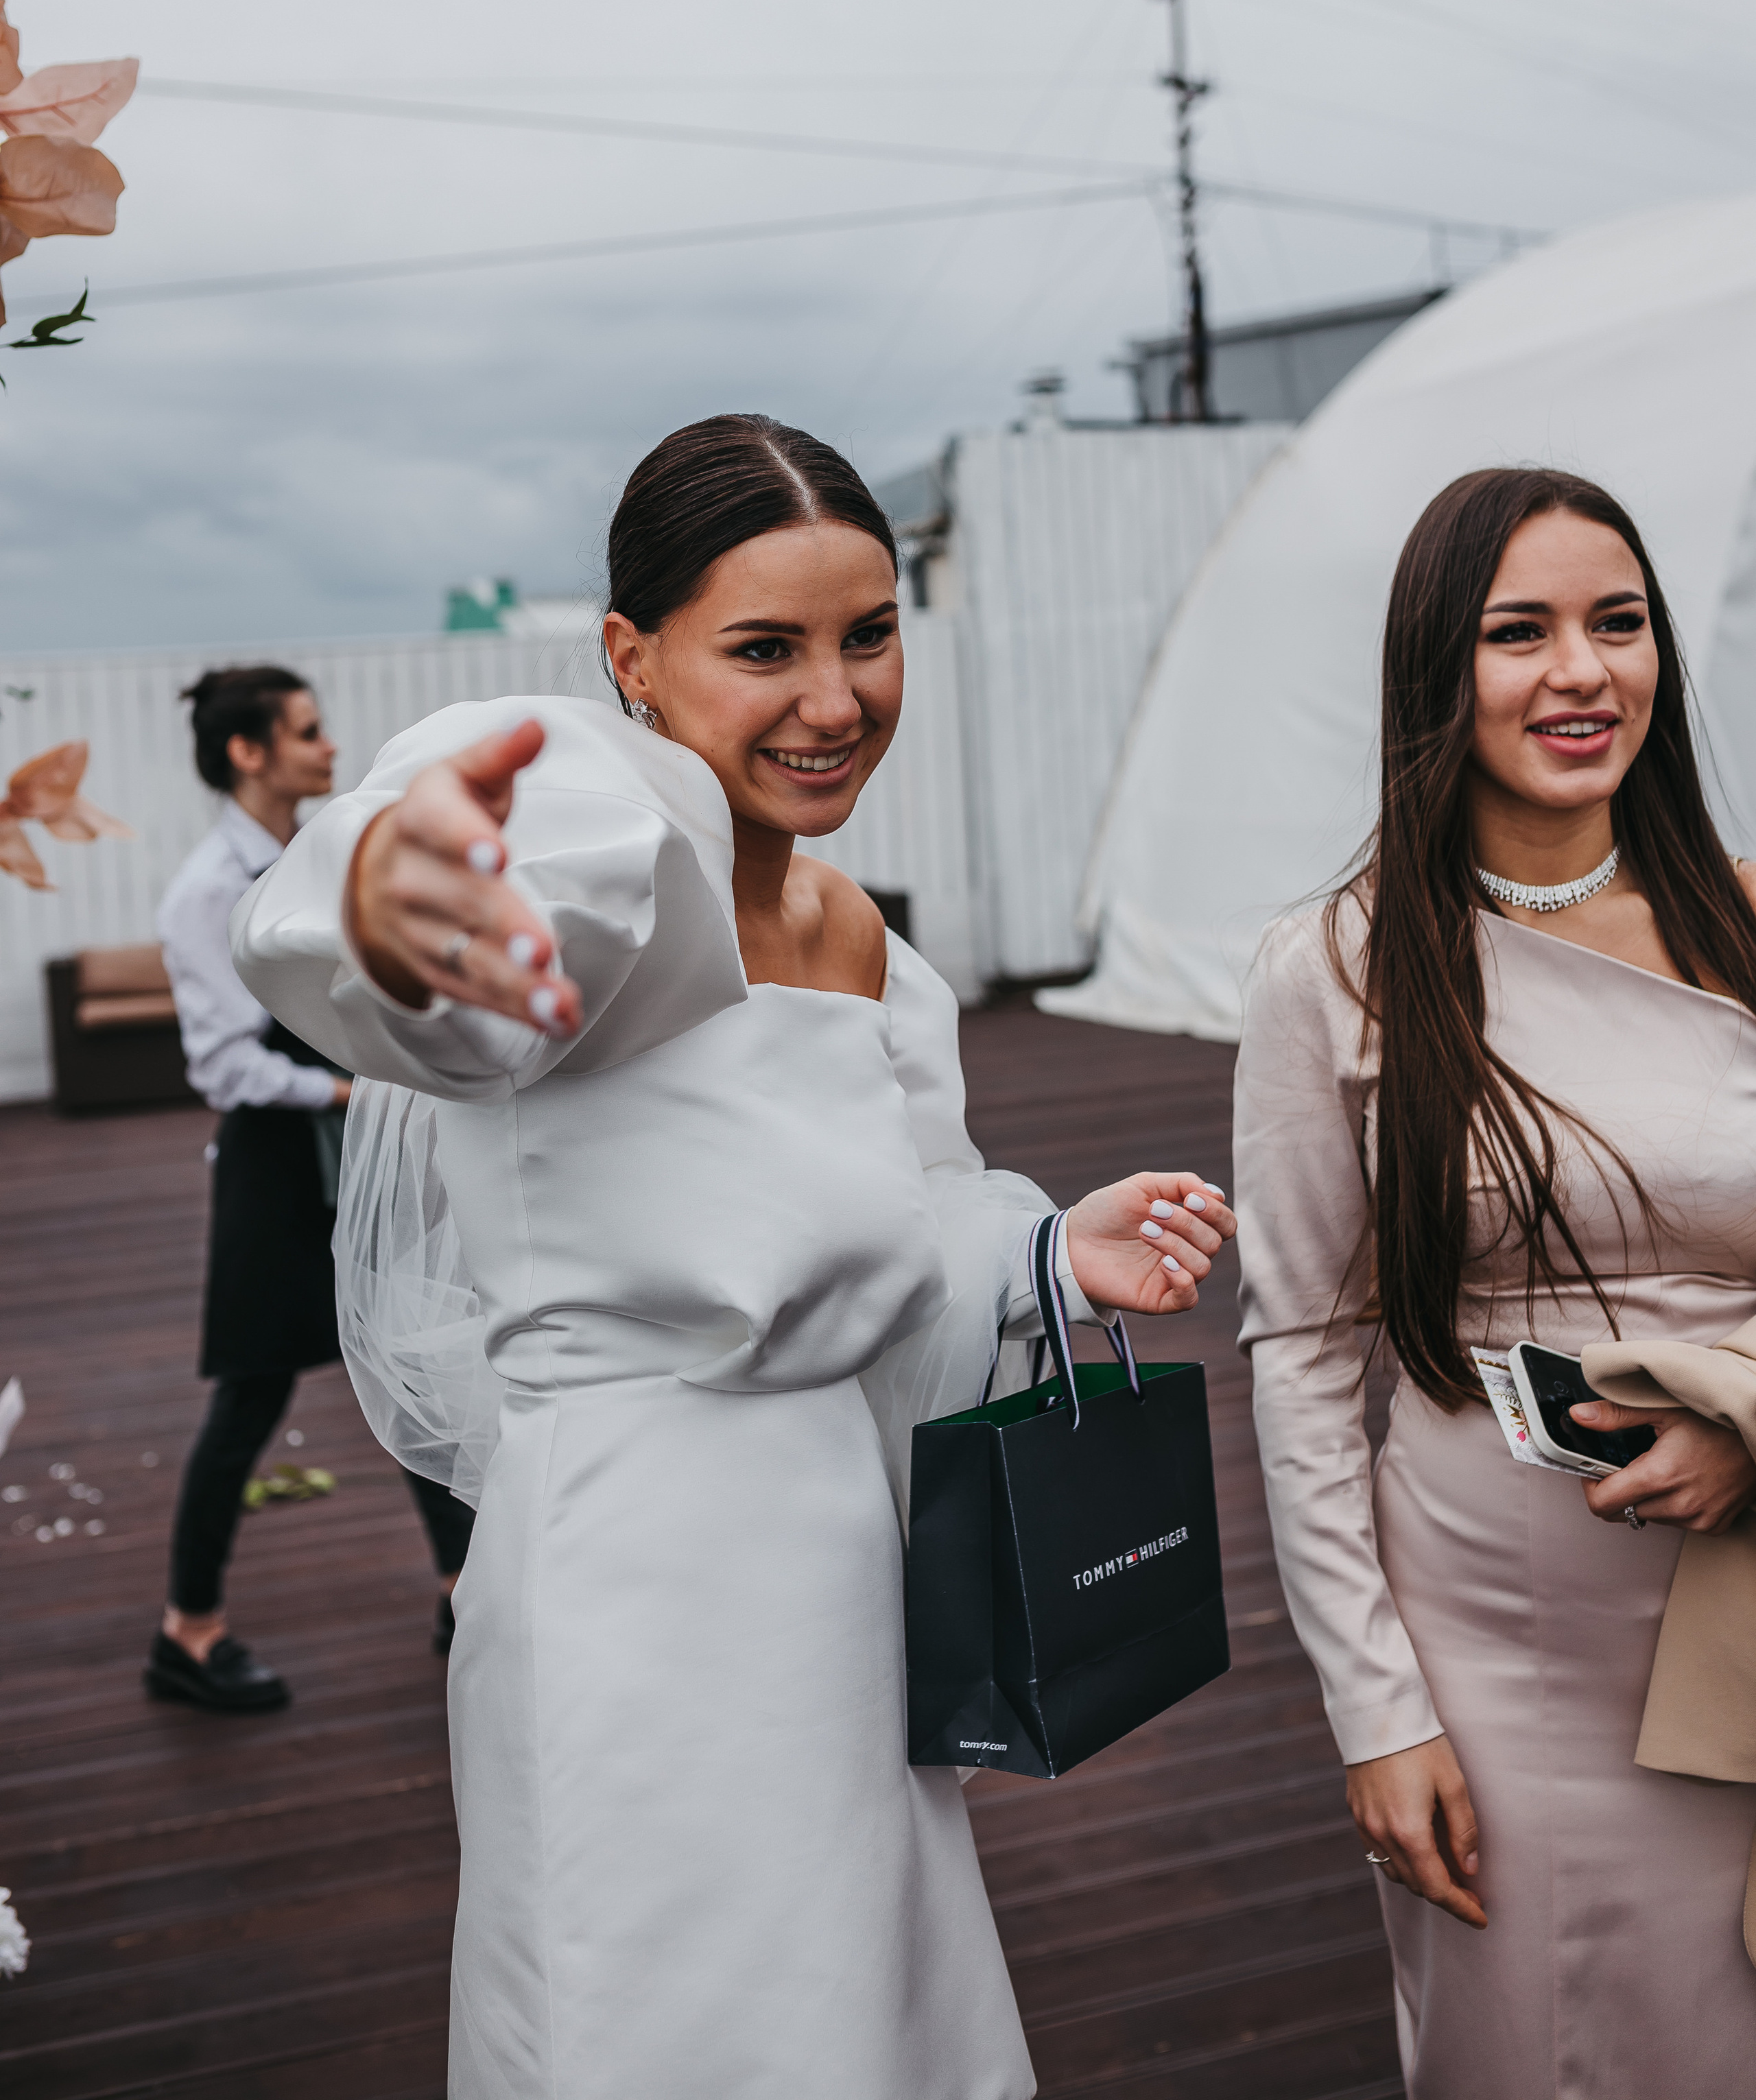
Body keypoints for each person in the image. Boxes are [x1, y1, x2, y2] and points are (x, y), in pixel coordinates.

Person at [230, 414, 1237, 2099]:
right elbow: (439, 952)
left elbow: (900, 1268)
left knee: (861, 2018)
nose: (833, 700)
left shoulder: (865, 946)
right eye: (762, 648)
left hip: (849, 1573)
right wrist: (392, 910)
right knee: (664, 2016)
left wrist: (1053, 1262)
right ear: (631, 656)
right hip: (637, 1583)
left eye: (868, 635)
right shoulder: (601, 820)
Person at [1233, 466, 1756, 2100]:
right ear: (1434, 673)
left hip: (1746, 1602)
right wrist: (1374, 1715)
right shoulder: (1332, 965)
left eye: (1616, 624)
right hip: (1499, 1641)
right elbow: (1304, 1360)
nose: (1579, 673)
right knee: (1529, 2040)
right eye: (1515, 632)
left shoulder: (1740, 925)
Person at [147, 665, 474, 1715]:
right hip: (276, 1170)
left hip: (345, 1158)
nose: (330, 748)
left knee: (405, 1361)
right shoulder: (208, 890)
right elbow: (224, 1068)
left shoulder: (307, 857)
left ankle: (462, 1591)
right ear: (249, 752)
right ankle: (187, 1635)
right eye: (307, 731)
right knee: (250, 1399)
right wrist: (350, 1086)